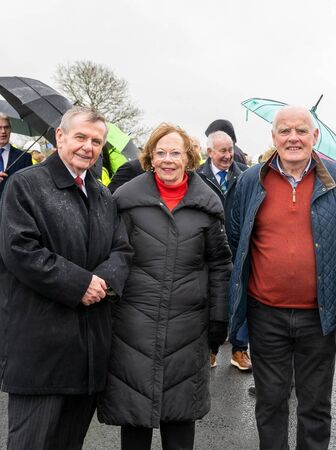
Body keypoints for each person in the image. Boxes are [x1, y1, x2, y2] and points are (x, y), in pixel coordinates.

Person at [0, 106, 132, 450]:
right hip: (41, 351)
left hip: (88, 351)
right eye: (81, 137)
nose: (88, 147)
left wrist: (102, 280)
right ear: (60, 136)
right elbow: (20, 250)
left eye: (96, 141)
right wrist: (78, 284)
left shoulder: (103, 196)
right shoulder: (25, 185)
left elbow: (122, 250)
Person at [228, 105, 336, 449]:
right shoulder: (251, 179)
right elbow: (236, 236)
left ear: (315, 137)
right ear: (273, 138)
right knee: (270, 401)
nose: (293, 138)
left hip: (319, 314)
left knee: (315, 405)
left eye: (301, 130)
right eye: (284, 131)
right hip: (265, 312)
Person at [97, 123, 232, 450]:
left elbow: (220, 265)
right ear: (149, 158)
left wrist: (218, 320)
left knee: (180, 421)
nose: (167, 160)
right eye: (160, 153)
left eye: (175, 153)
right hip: (133, 328)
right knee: (134, 418)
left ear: (189, 158)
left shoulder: (207, 206)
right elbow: (113, 257)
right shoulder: (127, 202)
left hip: (188, 328)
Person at [198, 130, 251, 371]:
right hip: (209, 250)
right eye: (223, 151)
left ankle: (239, 350)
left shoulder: (245, 177)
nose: (228, 155)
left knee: (241, 300)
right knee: (213, 300)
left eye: (230, 150)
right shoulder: (198, 177)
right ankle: (211, 349)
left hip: (238, 246)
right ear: (210, 152)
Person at [0, 113, 32, 197]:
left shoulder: (24, 157)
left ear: (10, 130)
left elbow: (30, 187)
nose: (3, 131)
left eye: (6, 127)